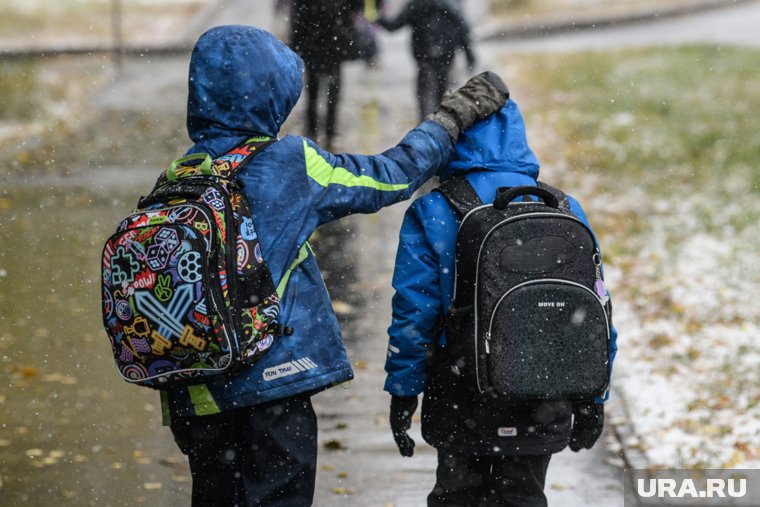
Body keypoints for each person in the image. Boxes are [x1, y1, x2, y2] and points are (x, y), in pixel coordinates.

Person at [163, 24, 508, 506]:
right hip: (270, 391)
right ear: (272, 93)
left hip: (194, 394)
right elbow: (391, 176)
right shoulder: (286, 163)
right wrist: (451, 119)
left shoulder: (180, 174)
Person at [383, 98, 618, 506]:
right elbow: (598, 308)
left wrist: (404, 390)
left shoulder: (435, 209)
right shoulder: (563, 207)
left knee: (456, 495)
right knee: (524, 494)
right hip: (543, 390)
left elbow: (413, 313)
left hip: (461, 390)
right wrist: (594, 398)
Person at [378, 0, 476, 121]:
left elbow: (393, 25)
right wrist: (469, 55)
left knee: (425, 91)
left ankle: (426, 125)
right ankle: (439, 123)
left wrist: (377, 18)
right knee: (441, 89)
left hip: (424, 53)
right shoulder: (449, 5)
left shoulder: (416, 4)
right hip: (445, 52)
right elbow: (463, 28)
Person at [289, 0, 364, 148]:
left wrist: (296, 43)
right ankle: (327, 131)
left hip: (314, 43)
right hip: (331, 44)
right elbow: (356, 7)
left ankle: (314, 130)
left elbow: (298, 17)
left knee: (315, 91)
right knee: (329, 91)